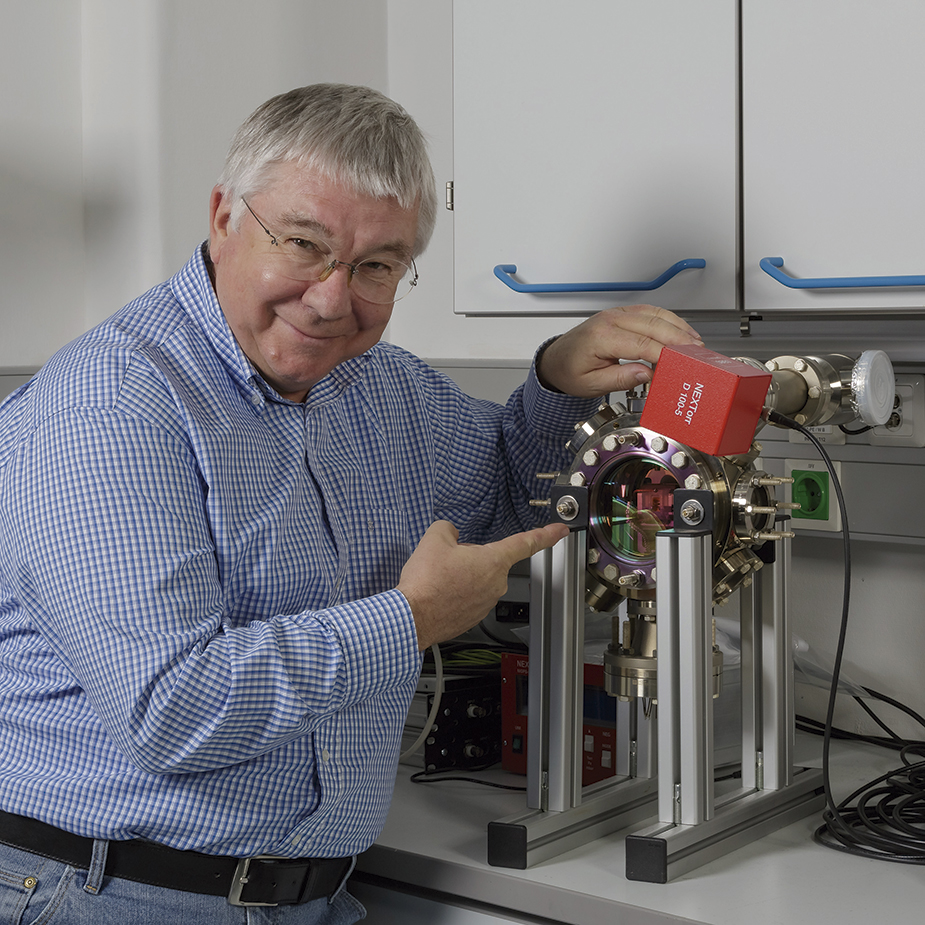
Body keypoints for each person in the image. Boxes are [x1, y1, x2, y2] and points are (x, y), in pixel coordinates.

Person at [0, 84, 702, 923]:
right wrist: (409, 619)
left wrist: (555, 378)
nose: (333, 299)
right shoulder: (110, 405)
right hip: (110, 895)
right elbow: (171, 708)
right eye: (303, 245)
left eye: (376, 266)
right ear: (224, 217)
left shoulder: (382, 387)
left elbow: (515, 496)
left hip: (307, 895)